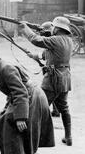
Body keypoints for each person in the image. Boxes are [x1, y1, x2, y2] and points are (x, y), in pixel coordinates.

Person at [19, 17, 73, 146]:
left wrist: (24, 27)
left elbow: (35, 40)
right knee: (64, 108)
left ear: (58, 28)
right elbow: (49, 54)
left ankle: (32, 139)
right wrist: (34, 56)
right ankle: (68, 137)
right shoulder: (68, 41)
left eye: (54, 27)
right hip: (65, 78)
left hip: (53, 79)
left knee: (39, 106)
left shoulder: (55, 40)